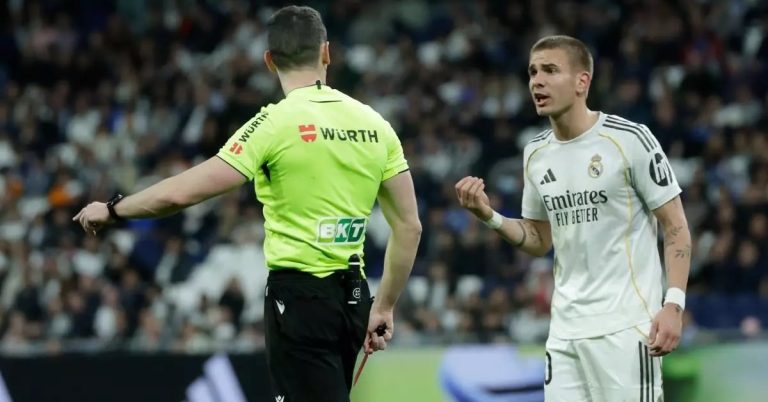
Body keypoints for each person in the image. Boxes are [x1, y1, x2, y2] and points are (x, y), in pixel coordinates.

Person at [73, 5, 421, 402]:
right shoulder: (376, 125)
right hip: (356, 298)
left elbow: (181, 193)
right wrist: (385, 305)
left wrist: (115, 208)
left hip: (300, 299)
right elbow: (409, 226)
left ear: (269, 61)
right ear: (326, 52)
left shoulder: (274, 122)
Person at [455, 35, 690, 402]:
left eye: (550, 70)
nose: (537, 81)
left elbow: (675, 227)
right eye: (533, 72)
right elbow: (538, 239)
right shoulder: (535, 153)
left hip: (626, 328)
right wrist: (489, 216)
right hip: (564, 332)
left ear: (583, 82)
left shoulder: (630, 140)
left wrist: (674, 304)